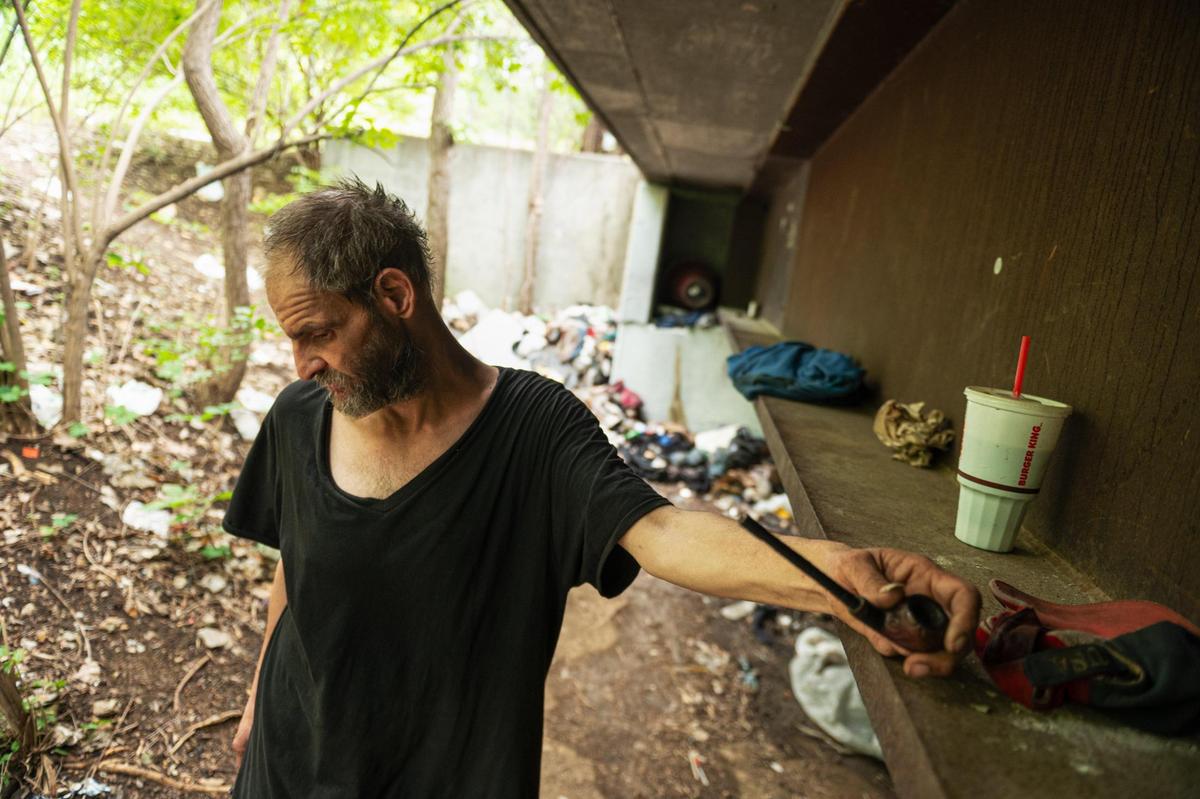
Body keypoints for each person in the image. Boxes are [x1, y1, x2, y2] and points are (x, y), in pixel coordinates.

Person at [223, 178, 981, 798]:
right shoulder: (299, 419)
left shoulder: (534, 429)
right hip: (285, 767)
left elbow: (662, 531)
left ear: (394, 295)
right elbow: (296, 561)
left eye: (317, 332)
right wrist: (261, 688)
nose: (301, 365)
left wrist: (834, 577)